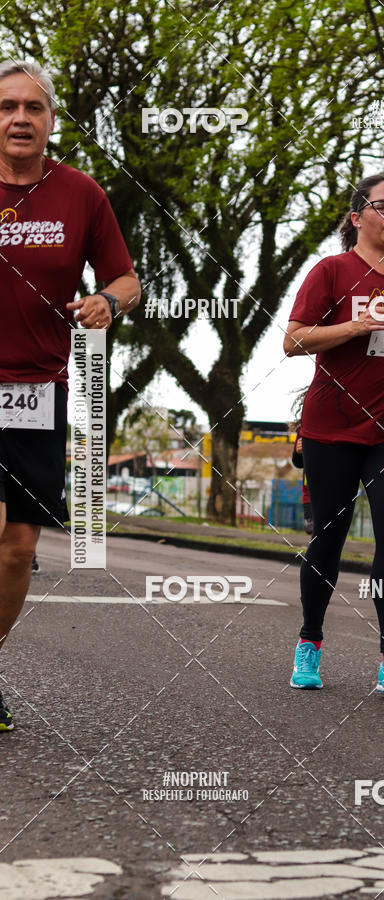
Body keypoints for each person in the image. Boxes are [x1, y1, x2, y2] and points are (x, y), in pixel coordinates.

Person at [0, 61, 141, 731]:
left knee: (19, 546)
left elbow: (127, 278)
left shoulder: (81, 194)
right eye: (6, 107)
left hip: (39, 391)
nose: (19, 118)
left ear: (51, 120)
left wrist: (107, 301)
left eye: (32, 107)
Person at [283, 172, 384, 696]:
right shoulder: (331, 271)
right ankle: (310, 642)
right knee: (329, 537)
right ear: (357, 218)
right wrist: (354, 327)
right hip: (333, 426)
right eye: (383, 205)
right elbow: (294, 341)